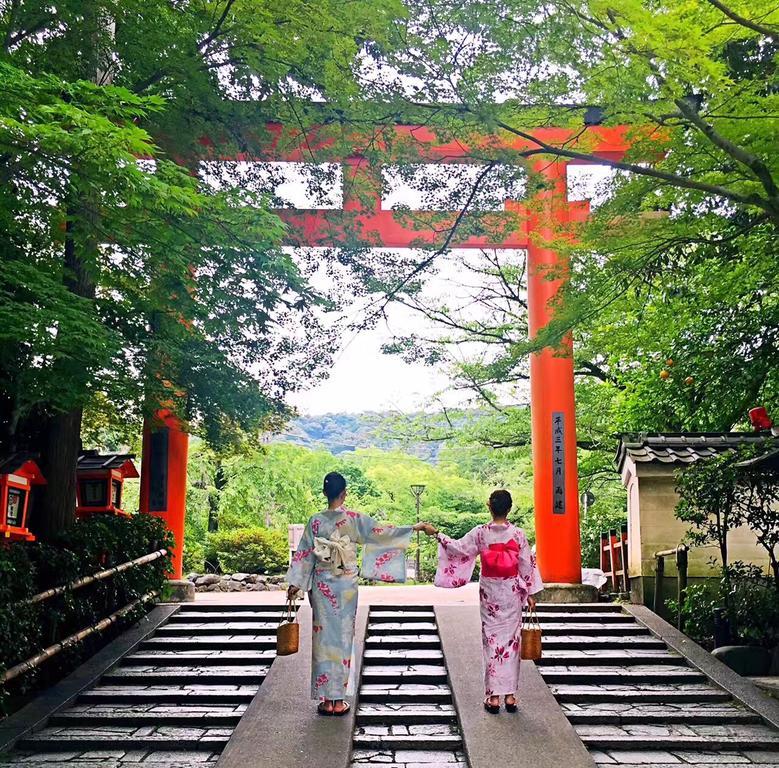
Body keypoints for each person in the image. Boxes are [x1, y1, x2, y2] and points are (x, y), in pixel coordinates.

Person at [287, 471, 426, 716]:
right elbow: (382, 533)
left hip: (322, 585)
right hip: (345, 587)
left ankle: (325, 700)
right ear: (344, 494)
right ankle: (338, 700)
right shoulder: (354, 519)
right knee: (343, 638)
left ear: (324, 493)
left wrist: (295, 584)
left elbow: (304, 555)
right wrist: (414, 527)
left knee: (322, 639)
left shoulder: (315, 521)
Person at [418, 489, 543, 714]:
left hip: (490, 593)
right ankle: (511, 696)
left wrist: (436, 533)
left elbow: (457, 548)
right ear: (510, 508)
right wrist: (531, 593)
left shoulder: (481, 533)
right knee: (511, 643)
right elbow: (526, 565)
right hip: (511, 592)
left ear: (489, 506)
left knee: (492, 642)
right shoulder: (518, 535)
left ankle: (493, 697)